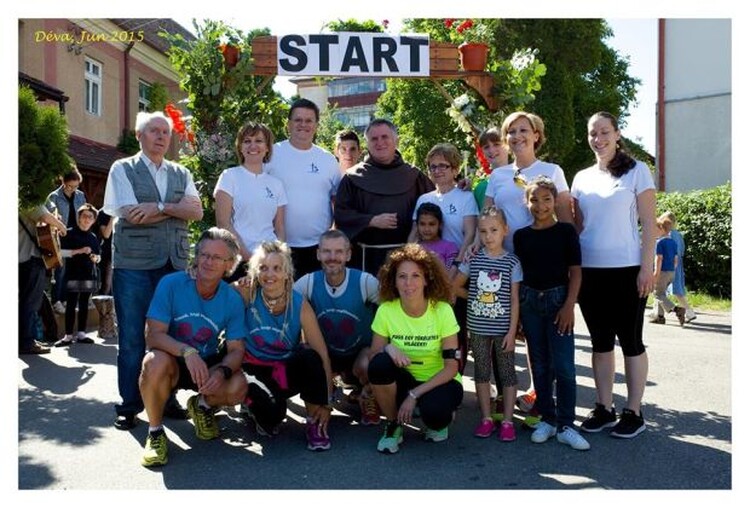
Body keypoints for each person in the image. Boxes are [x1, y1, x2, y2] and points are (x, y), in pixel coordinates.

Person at [103, 111, 204, 431]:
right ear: (139, 136)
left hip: (172, 265)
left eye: (165, 132)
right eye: (154, 131)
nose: (161, 136)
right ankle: (130, 405)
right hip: (133, 265)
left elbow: (197, 211)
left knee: (169, 336)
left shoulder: (180, 171)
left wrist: (159, 207)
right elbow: (132, 215)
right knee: (132, 337)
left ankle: (166, 396)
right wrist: (176, 212)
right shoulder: (122, 168)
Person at [479, 112, 573, 416]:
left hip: (543, 266)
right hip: (503, 265)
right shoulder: (498, 176)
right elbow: (486, 217)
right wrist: (474, 250)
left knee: (541, 336)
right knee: (506, 330)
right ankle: (504, 391)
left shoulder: (552, 170)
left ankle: (541, 394)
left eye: (523, 130)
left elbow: (566, 222)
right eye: (511, 131)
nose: (517, 136)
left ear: (536, 135)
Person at [571, 111, 657, 439]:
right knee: (600, 342)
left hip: (627, 271)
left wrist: (645, 268)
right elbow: (577, 227)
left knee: (631, 342)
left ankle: (634, 412)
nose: (599, 139)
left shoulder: (638, 172)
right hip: (590, 273)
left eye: (604, 132)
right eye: (593, 133)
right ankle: (604, 408)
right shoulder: (581, 178)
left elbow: (649, 224)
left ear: (617, 134)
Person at [138, 228, 248, 467]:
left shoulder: (232, 299)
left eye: (217, 257)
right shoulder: (172, 284)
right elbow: (153, 336)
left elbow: (237, 349)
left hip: (206, 365)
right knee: (152, 362)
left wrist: (221, 372)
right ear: (196, 256)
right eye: (204, 254)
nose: (208, 262)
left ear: (229, 264)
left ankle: (202, 406)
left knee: (238, 384)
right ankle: (155, 433)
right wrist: (187, 352)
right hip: (173, 359)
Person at [513, 177, 590, 451]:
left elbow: (576, 272)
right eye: (534, 199)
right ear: (527, 201)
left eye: (546, 199)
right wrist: (519, 315)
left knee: (564, 366)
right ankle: (547, 418)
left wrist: (570, 305)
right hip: (530, 302)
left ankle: (567, 424)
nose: (540, 205)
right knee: (540, 364)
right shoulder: (521, 236)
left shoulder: (566, 232)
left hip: (559, 301)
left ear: (555, 201)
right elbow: (519, 278)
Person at [237, 241, 334, 451]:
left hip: (283, 370)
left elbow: (321, 353)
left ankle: (314, 422)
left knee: (309, 356)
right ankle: (253, 403)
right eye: (263, 268)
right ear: (255, 271)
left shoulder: (299, 304)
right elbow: (213, 294)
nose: (269, 274)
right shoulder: (247, 292)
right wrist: (194, 271)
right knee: (272, 417)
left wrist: (326, 401)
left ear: (287, 273)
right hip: (253, 367)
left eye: (276, 268)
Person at [368, 243, 463, 454]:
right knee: (379, 365)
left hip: (439, 380)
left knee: (435, 415)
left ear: (426, 279)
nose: (408, 283)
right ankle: (394, 424)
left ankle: (442, 417)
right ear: (393, 280)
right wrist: (389, 349)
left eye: (415, 276)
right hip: (404, 379)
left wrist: (414, 395)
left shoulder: (443, 310)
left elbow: (451, 367)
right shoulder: (386, 310)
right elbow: (374, 356)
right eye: (402, 276)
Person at [293, 230, 381, 425]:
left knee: (373, 363)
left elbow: (390, 313)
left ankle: (367, 393)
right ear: (318, 254)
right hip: (326, 354)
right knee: (307, 358)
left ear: (348, 254)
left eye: (339, 252)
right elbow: (284, 307)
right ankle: (325, 390)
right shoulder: (307, 283)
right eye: (327, 251)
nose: (332, 257)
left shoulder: (365, 282)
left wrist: (379, 349)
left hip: (360, 353)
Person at [453, 206, 522, 442]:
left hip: (503, 330)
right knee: (482, 374)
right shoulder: (474, 258)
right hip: (479, 329)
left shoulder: (512, 262)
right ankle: (485, 418)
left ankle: (508, 421)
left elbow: (514, 299)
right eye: (483, 231)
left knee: (507, 374)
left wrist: (512, 332)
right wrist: (472, 296)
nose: (488, 236)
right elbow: (455, 286)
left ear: (505, 230)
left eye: (493, 230)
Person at [335, 118, 434, 275]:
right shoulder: (352, 178)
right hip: (366, 259)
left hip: (408, 257)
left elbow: (436, 205)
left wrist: (460, 186)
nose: (379, 142)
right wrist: (370, 220)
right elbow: (341, 214)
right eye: (374, 139)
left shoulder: (414, 176)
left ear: (396, 140)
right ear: (367, 144)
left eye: (384, 137)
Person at [265, 99, 341, 279]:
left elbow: (338, 201)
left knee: (314, 301)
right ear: (289, 124)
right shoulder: (271, 154)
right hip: (278, 245)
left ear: (316, 125)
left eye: (309, 121)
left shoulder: (328, 160)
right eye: (298, 120)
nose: (303, 125)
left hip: (319, 247)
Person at [214, 121, 287, 281]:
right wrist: (247, 255)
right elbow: (223, 223)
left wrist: (278, 255)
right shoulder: (229, 177)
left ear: (267, 147)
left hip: (269, 264)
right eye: (247, 141)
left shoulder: (276, 184)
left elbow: (280, 226)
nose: (253, 146)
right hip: (238, 260)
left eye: (259, 141)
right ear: (240, 147)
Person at [408, 143, 478, 265]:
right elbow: (415, 234)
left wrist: (457, 264)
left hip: (459, 263)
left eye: (442, 166)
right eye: (433, 167)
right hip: (427, 265)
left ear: (455, 169)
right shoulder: (423, 199)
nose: (437, 171)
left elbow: (470, 234)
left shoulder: (466, 197)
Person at [18, 205, 67, 355]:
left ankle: (27, 338)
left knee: (26, 301)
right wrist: (61, 226)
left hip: (22, 257)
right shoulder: (28, 198)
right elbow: (45, 216)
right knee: (30, 303)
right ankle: (26, 342)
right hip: (30, 257)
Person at [53, 204, 101, 347]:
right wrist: (78, 251)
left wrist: (95, 258)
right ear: (79, 217)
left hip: (88, 274)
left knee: (85, 303)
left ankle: (81, 334)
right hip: (72, 273)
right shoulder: (69, 233)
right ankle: (68, 336)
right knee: (71, 303)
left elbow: (99, 256)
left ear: (93, 220)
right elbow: (59, 252)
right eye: (84, 216)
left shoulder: (93, 237)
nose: (86, 219)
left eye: (90, 217)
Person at [46, 165, 87, 313]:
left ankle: (66, 299)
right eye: (69, 186)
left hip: (76, 237)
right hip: (60, 237)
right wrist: (57, 218)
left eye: (75, 187)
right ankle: (56, 300)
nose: (72, 189)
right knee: (60, 270)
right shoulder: (54, 197)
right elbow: (48, 217)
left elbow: (85, 213)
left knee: (72, 270)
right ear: (63, 182)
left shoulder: (81, 195)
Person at [661, 211, 697, 322]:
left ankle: (689, 312)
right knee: (662, 290)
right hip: (677, 264)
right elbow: (681, 251)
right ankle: (657, 313)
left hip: (670, 265)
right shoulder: (677, 234)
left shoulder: (669, 235)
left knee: (675, 291)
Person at [650, 216, 686, 326]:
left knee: (657, 295)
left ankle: (677, 309)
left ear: (661, 229)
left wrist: (656, 272)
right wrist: (672, 270)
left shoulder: (659, 243)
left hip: (662, 272)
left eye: (654, 229)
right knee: (662, 294)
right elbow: (676, 259)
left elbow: (659, 258)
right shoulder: (673, 243)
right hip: (671, 272)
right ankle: (660, 317)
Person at [413, 202, 459, 270]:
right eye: (422, 224)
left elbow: (450, 275)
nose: (427, 229)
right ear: (417, 225)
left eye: (431, 224)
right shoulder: (414, 249)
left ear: (440, 225)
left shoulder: (450, 247)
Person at [473, 127, 510, 209]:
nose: (491, 150)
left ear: (508, 145)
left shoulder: (520, 179)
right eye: (486, 147)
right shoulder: (480, 188)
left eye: (496, 144)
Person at [96, 210, 114, 295]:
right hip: (109, 252)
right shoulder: (103, 213)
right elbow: (106, 234)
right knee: (107, 283)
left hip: (123, 252)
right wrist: (113, 217)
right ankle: (103, 306)